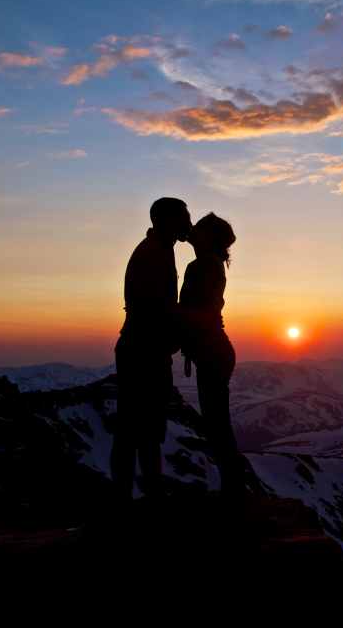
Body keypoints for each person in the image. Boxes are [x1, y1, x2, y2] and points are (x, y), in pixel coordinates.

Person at [111, 198, 215, 505]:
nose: (189, 224)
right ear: (168, 219)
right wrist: (198, 319)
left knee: (142, 428)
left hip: (145, 349)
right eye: (185, 218)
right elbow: (155, 307)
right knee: (136, 429)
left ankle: (143, 497)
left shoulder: (158, 250)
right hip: (143, 351)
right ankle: (134, 500)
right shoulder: (154, 253)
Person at [179, 213, 246, 505]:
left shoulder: (205, 263)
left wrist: (166, 313)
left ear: (209, 235)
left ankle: (234, 494)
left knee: (217, 427)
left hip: (211, 350)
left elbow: (197, 312)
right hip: (213, 351)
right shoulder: (210, 263)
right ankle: (233, 492)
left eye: (200, 225)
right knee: (218, 426)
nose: (193, 228)